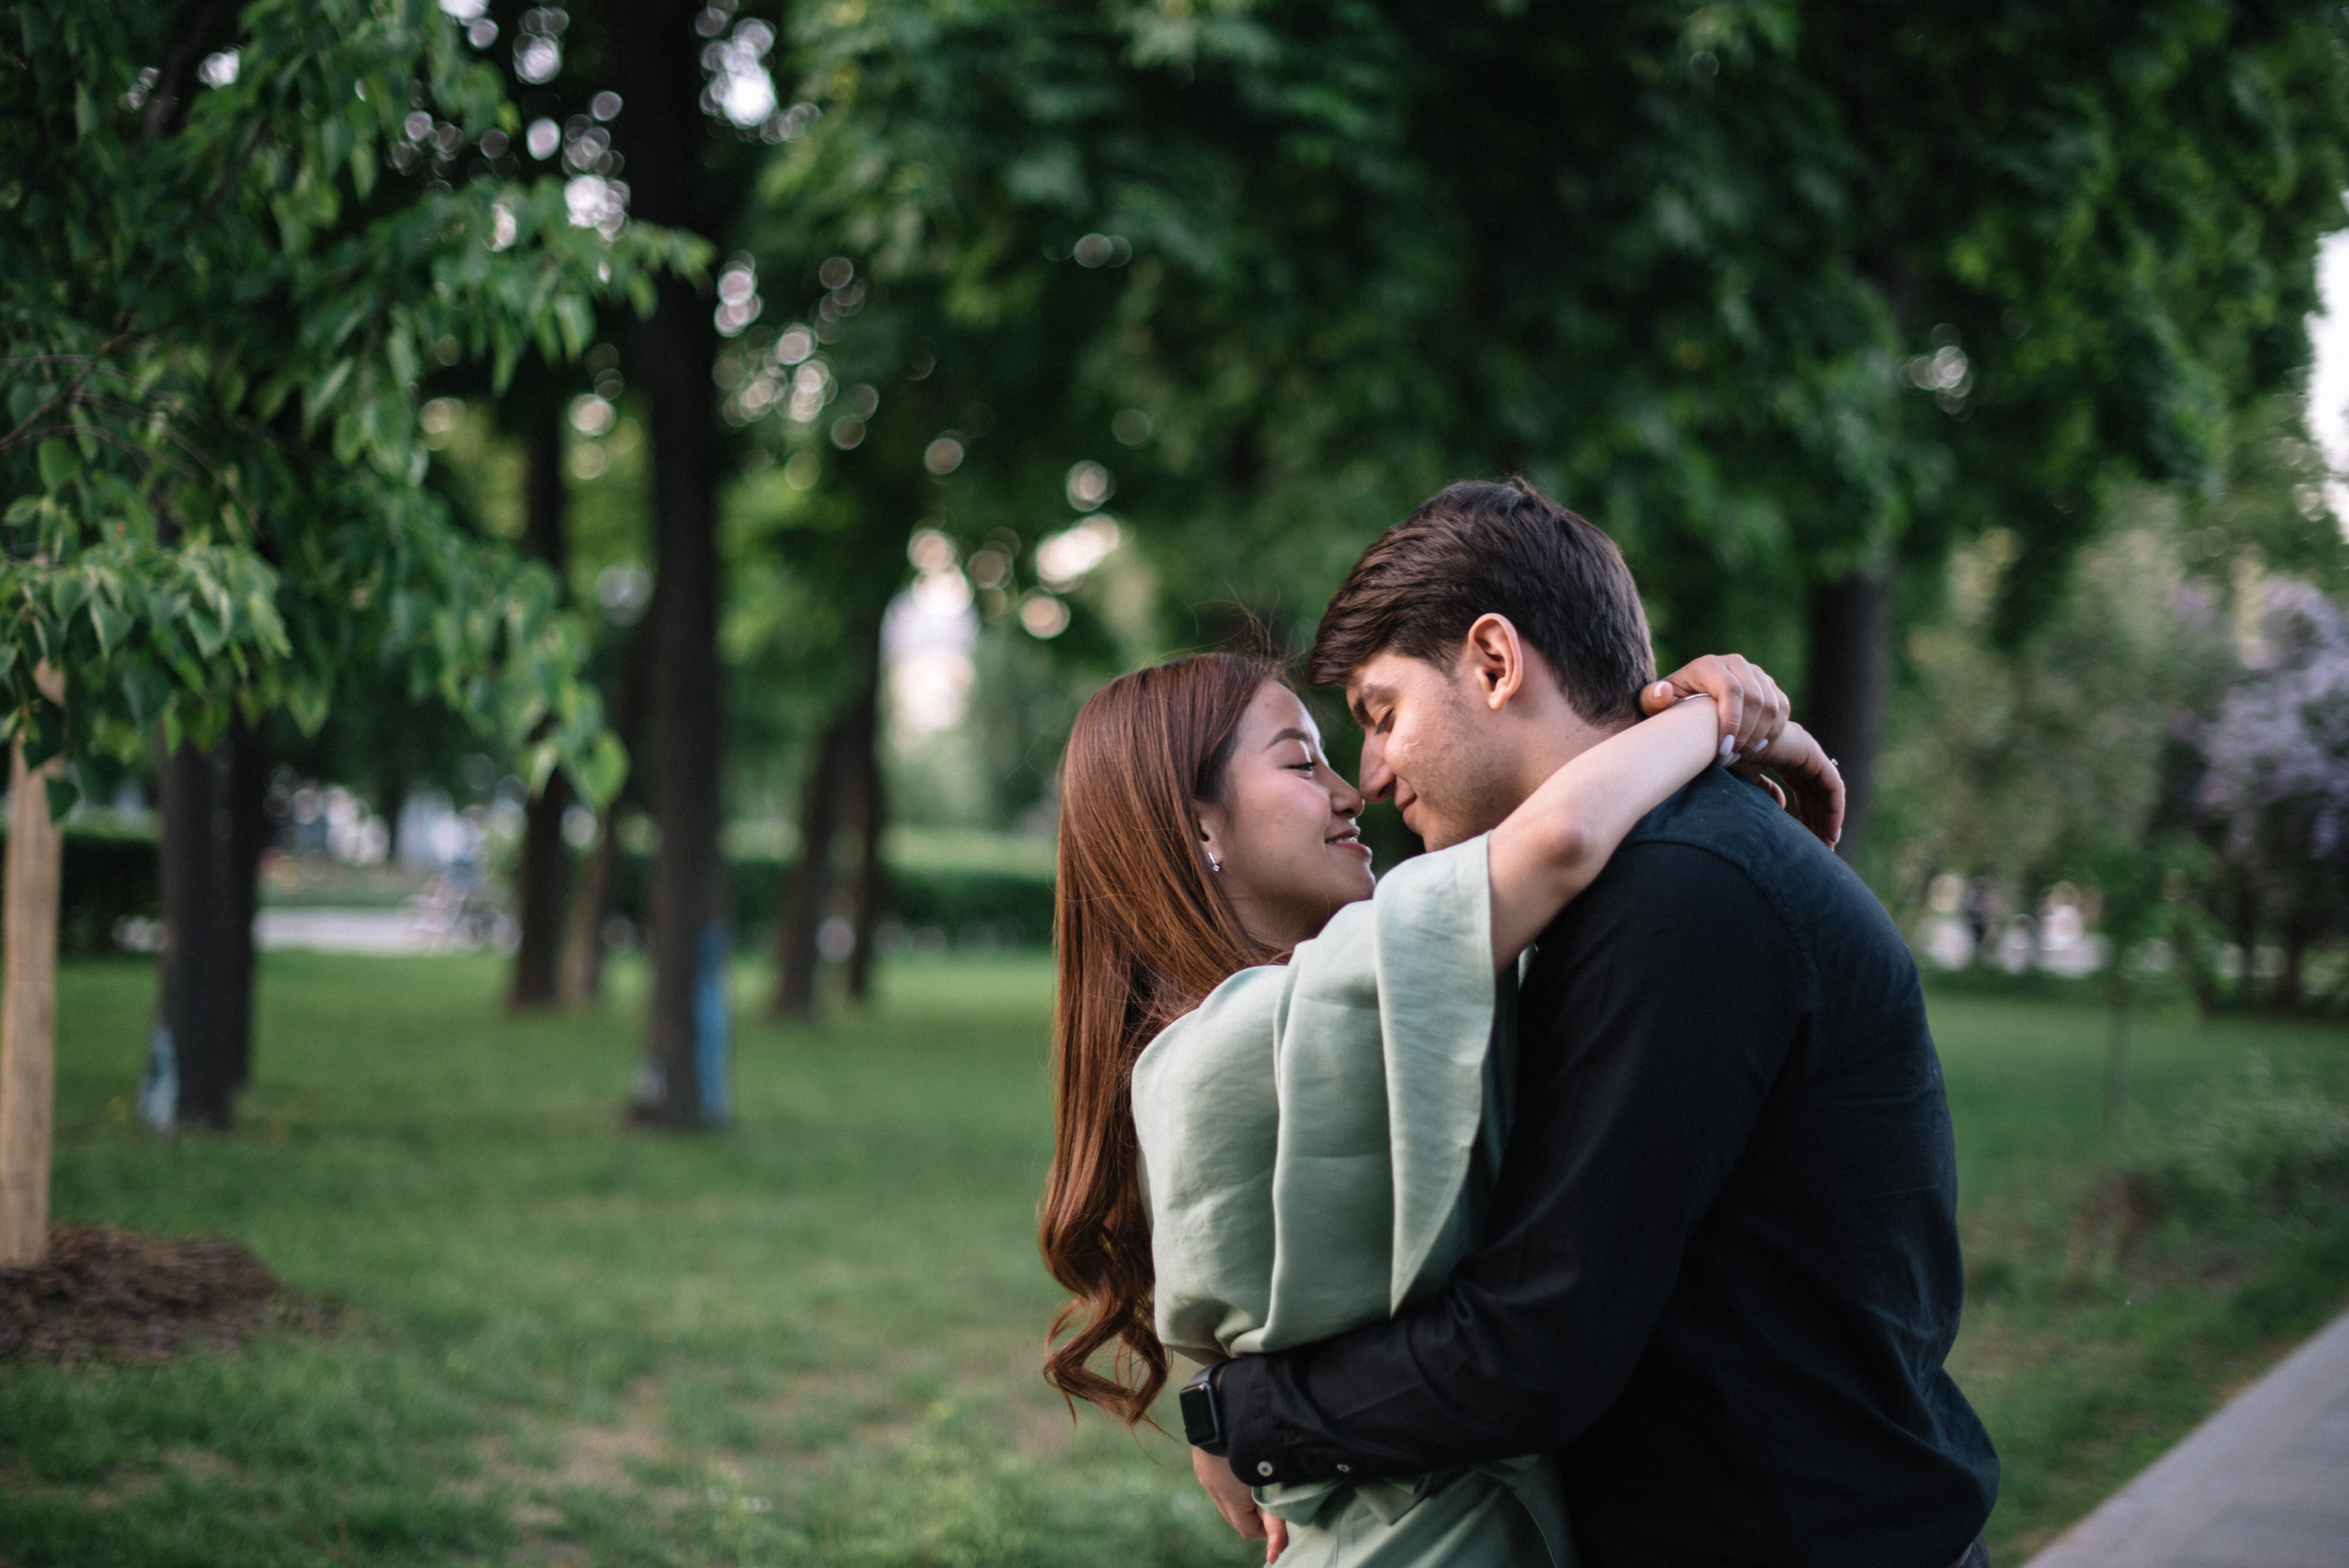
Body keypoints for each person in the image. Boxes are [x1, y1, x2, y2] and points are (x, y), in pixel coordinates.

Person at [1173, 479, 2000, 1568]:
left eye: (1380, 713)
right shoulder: (1650, 870)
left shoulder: (1678, 891)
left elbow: (1537, 1343)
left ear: (1495, 660)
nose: (1368, 774)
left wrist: (1244, 1419)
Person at [1041, 636, 1839, 1562]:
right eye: (1303, 761)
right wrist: (1720, 717)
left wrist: (1221, 1408)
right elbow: (1564, 836)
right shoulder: (1274, 1024)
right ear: (1201, 830)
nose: (1355, 790)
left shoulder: (1224, 1048)